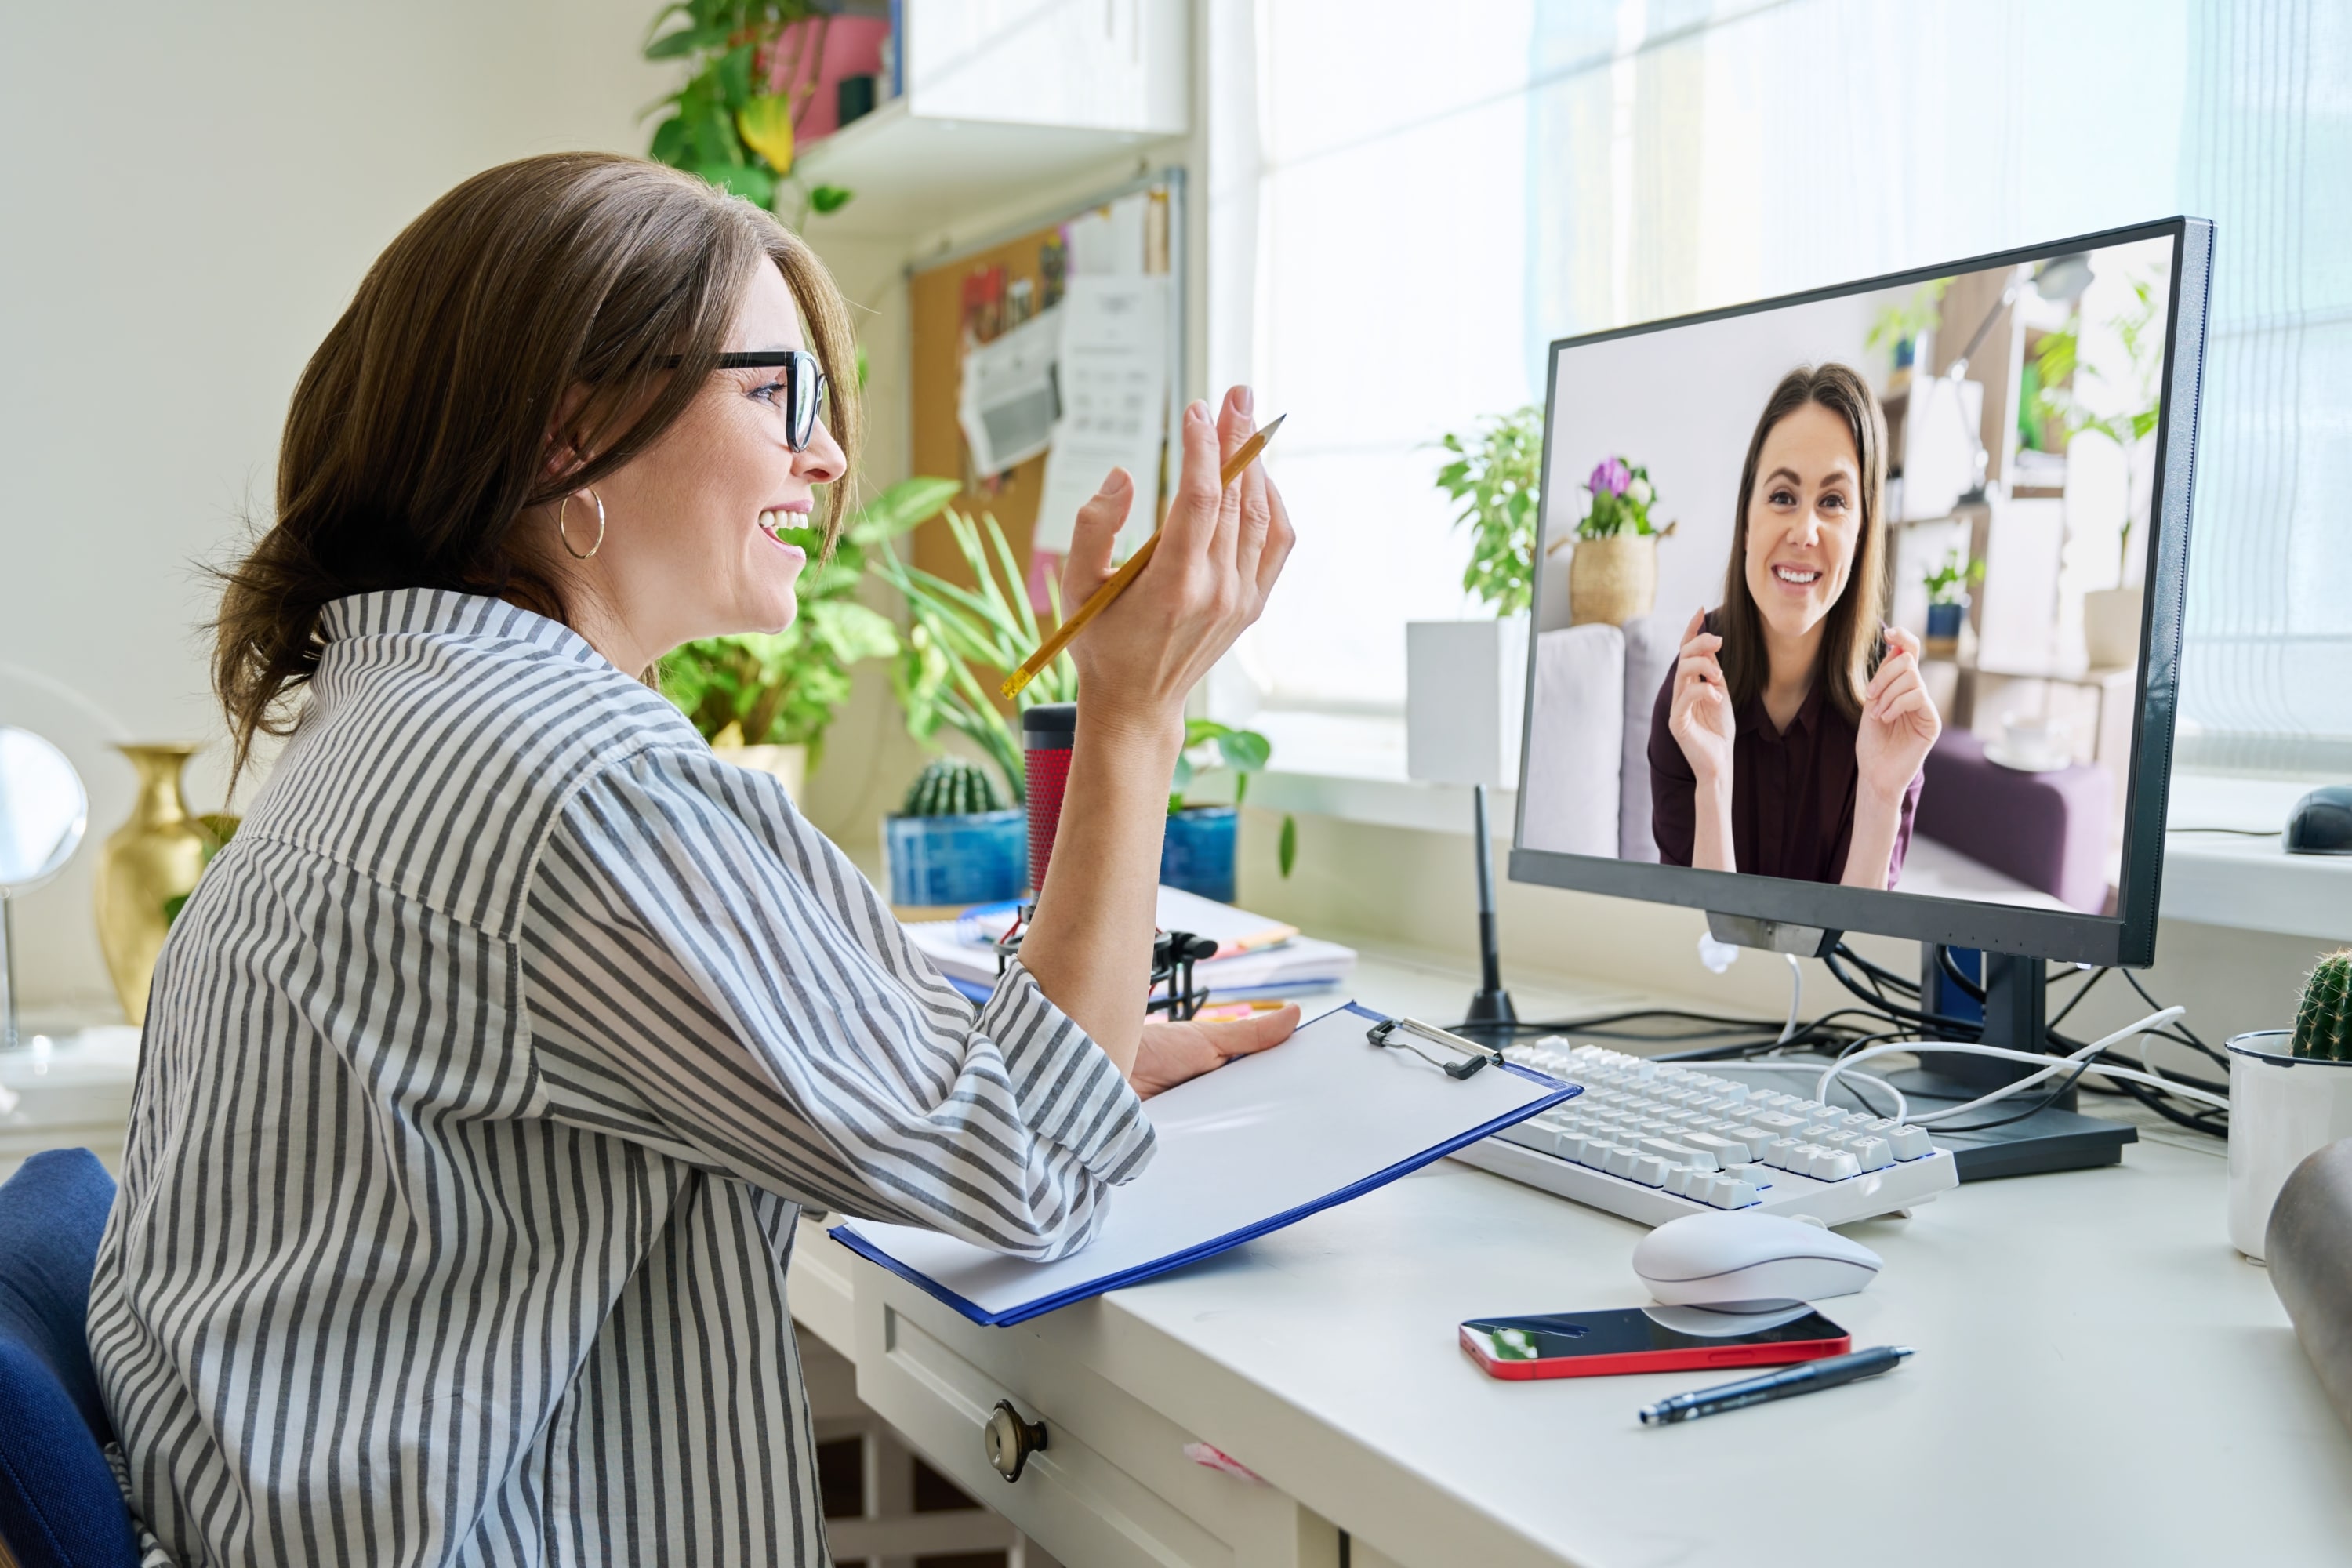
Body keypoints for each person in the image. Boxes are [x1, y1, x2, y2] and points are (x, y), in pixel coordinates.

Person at [85, 153, 1297, 1567]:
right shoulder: (582, 784)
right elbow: (1022, 1168)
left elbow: (839, 1055)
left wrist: (1059, 1045)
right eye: (777, 394)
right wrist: (1134, 712)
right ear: (568, 429)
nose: (829, 457)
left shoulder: (405, 706)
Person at [1649, 363, 1940, 889]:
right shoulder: (1691, 690)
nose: (1804, 532)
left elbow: (1858, 952)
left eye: (1833, 502)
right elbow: (1697, 949)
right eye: (1783, 496)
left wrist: (1880, 794)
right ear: (1745, 521)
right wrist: (1712, 781)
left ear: (1862, 534)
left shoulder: (1892, 703)